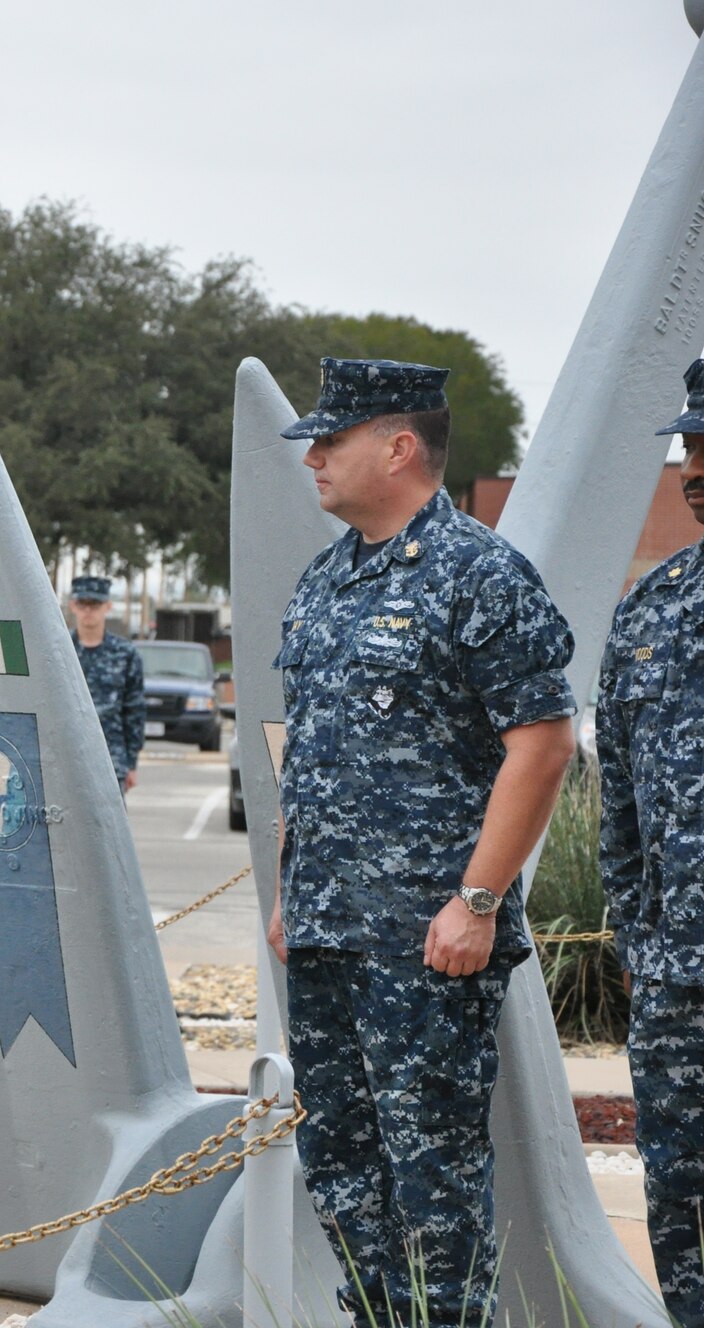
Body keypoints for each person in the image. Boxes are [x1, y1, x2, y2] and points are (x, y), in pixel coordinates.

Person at [269, 358, 577, 1327]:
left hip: (424, 943)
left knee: (430, 1185)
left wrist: (477, 899)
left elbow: (542, 741)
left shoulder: (476, 571)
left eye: (331, 438)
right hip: (325, 934)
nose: (311, 455)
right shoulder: (324, 579)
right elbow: (309, 744)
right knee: (343, 1172)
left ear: (398, 445)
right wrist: (291, 888)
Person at [596, 356, 704, 1328]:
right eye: (688, 443)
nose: (694, 461)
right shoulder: (650, 609)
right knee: (675, 1185)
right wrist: (636, 935)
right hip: (678, 973)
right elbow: (619, 802)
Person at [68, 574, 146, 793]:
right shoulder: (60, 651)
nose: (88, 611)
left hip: (111, 757)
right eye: (83, 604)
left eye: (95, 604)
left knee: (112, 825)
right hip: (68, 757)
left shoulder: (125, 653)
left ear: (108, 607)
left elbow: (134, 709)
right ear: (73, 606)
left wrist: (131, 763)